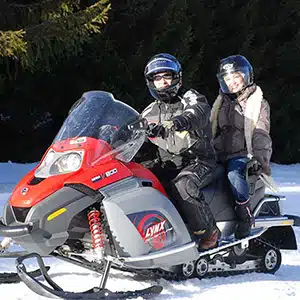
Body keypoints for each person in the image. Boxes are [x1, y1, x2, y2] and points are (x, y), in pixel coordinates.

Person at [138, 53, 219, 250]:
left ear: (176, 78)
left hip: (198, 160)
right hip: (168, 163)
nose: (163, 82)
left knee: (184, 186)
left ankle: (208, 233)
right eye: (157, 78)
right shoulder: (149, 112)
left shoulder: (190, 97)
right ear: (151, 83)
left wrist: (176, 123)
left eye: (167, 76)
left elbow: (197, 113)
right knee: (135, 179)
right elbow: (135, 134)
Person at [210, 54, 272, 239]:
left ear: (246, 76)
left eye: (236, 76)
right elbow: (210, 127)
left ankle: (244, 214)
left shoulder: (258, 103)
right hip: (220, 153)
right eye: (227, 78)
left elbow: (261, 133)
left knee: (233, 174)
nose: (232, 82)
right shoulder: (220, 103)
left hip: (245, 154)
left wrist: (261, 161)